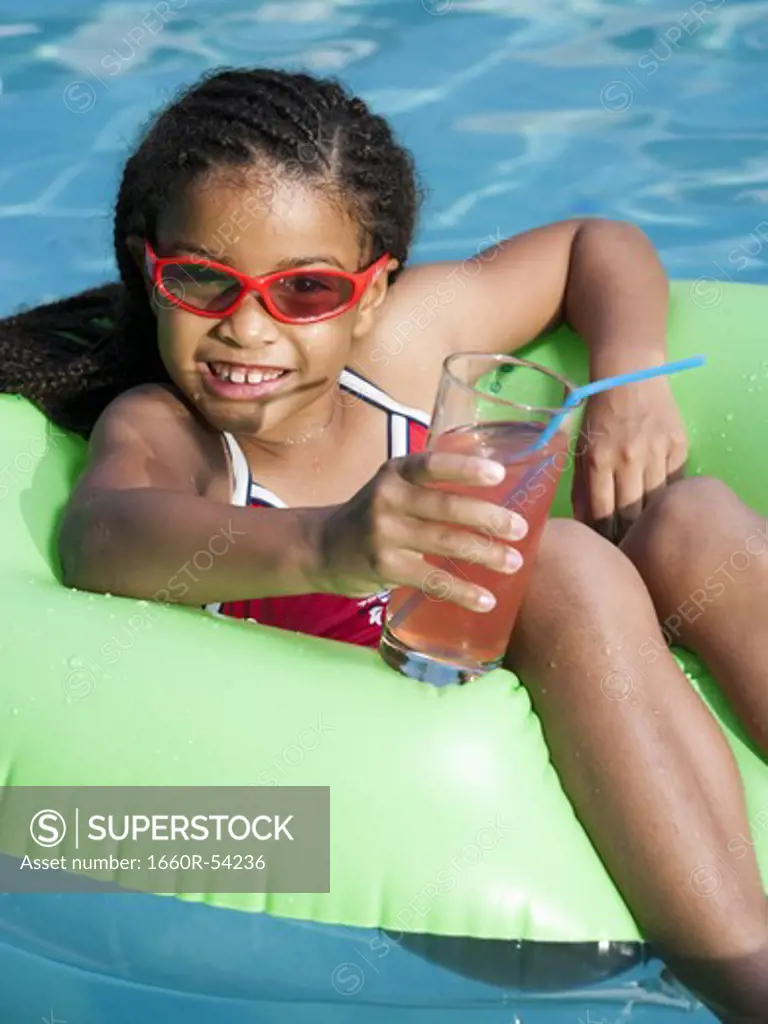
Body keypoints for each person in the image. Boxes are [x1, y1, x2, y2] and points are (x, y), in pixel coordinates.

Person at [1, 67, 767, 1021]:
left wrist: (626, 380)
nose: (248, 328)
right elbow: (105, 536)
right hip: (393, 832)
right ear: (148, 268)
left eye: (306, 290)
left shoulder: (401, 357)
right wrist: (331, 542)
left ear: (371, 295)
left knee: (697, 522)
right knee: (562, 563)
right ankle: (749, 981)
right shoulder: (169, 430)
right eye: (202, 279)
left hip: (570, 681)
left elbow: (591, 246)